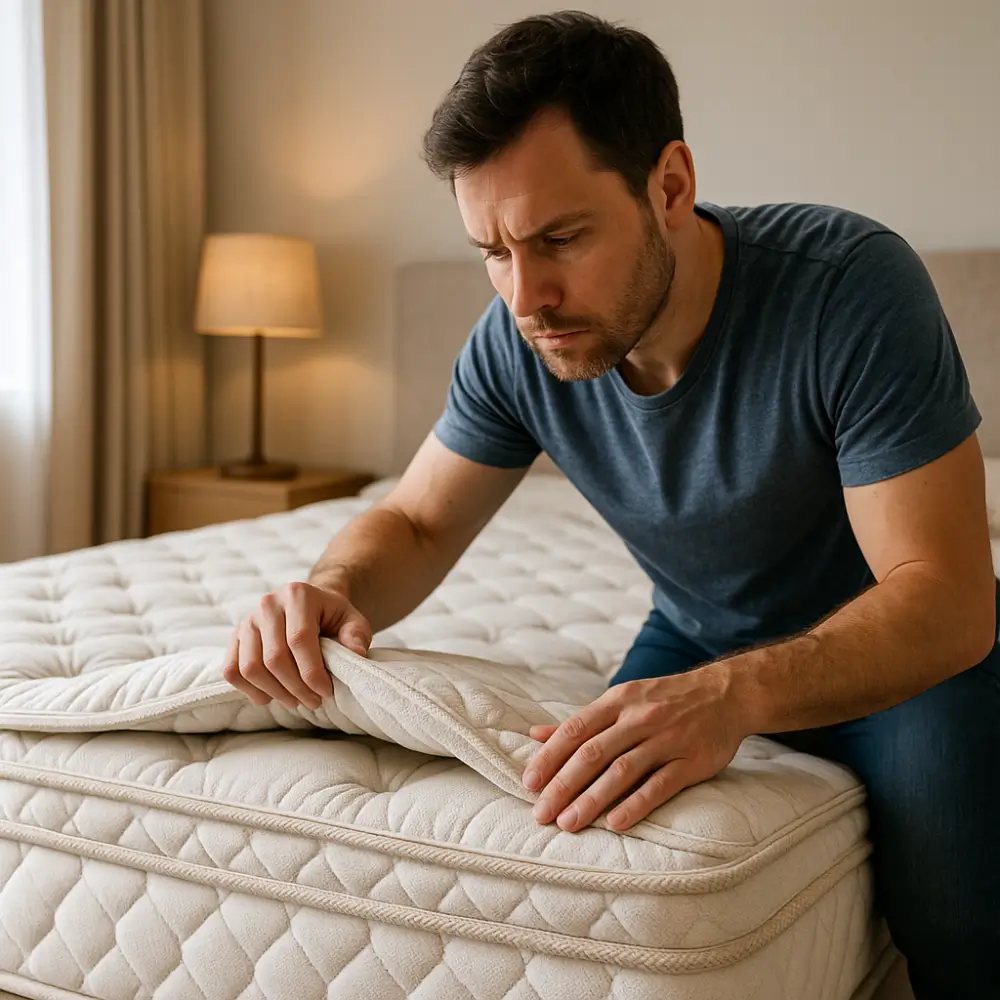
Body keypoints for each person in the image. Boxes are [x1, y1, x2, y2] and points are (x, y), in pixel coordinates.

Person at [222, 12, 998, 998]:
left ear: (669, 186)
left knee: (957, 925)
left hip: (904, 659)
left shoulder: (849, 289)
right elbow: (415, 522)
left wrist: (734, 695)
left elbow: (943, 595)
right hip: (695, 635)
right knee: (577, 862)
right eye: (492, 251)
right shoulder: (518, 340)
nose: (525, 294)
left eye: (559, 238)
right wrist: (328, 586)